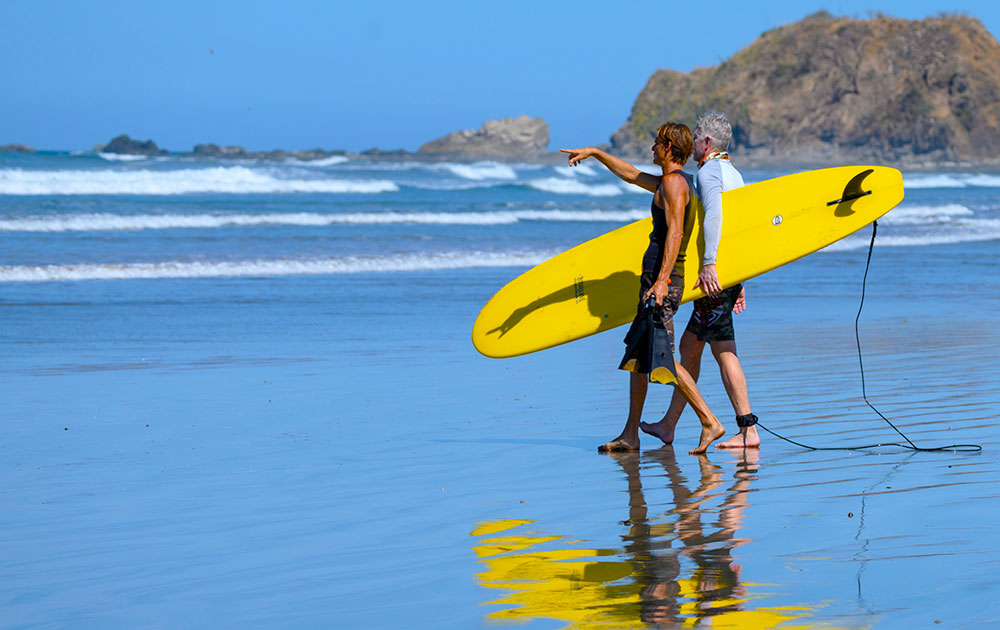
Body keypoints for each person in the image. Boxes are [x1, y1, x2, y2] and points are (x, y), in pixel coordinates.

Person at [561, 123, 725, 455]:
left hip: (662, 282)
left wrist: (662, 282)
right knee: (639, 358)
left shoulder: (675, 185)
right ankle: (630, 435)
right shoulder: (673, 182)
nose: (651, 148)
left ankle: (709, 421)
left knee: (661, 355)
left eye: (655, 143)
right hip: (655, 279)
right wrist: (594, 152)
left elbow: (675, 233)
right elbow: (632, 174)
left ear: (667, 147)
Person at [640, 112, 761, 449]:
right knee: (691, 347)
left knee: (723, 351)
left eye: (696, 137)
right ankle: (669, 424)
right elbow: (741, 228)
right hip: (726, 276)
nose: (692, 143)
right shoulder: (732, 173)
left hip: (713, 277)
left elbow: (718, 218)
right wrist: (739, 278)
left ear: (707, 142)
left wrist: (709, 265)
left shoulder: (709, 172)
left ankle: (747, 430)